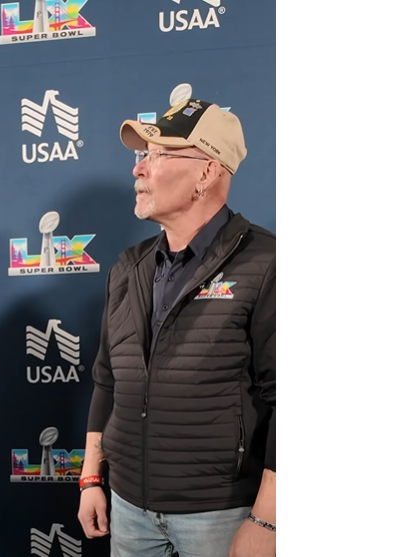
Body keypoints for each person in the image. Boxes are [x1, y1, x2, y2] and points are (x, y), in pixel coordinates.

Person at [76, 98, 276, 557]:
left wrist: (266, 520)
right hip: (129, 509)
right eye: (141, 155)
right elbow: (107, 381)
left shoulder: (265, 263)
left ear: (207, 172)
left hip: (221, 515)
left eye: (158, 155)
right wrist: (91, 478)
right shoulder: (128, 267)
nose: (138, 169)